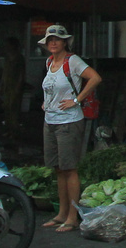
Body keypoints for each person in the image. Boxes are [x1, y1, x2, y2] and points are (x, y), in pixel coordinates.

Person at [38, 26, 99, 232]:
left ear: (65, 42)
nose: (53, 43)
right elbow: (51, 89)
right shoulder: (49, 63)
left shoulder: (72, 61)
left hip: (69, 121)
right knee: (58, 169)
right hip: (51, 121)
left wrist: (76, 100)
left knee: (69, 168)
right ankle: (62, 213)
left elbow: (95, 78)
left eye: (57, 39)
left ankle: (73, 216)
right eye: (50, 40)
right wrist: (46, 102)